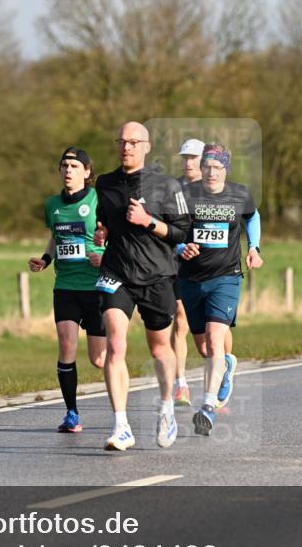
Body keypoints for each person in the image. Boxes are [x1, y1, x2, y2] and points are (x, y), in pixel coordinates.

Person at [90, 121, 192, 451]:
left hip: (157, 275)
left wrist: (148, 221)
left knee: (160, 348)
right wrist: (102, 231)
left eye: (134, 142)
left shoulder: (168, 186)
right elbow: (103, 220)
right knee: (116, 345)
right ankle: (121, 426)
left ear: (147, 147)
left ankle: (166, 409)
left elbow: (181, 233)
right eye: (121, 141)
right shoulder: (104, 184)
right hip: (117, 272)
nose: (127, 147)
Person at [177, 144, 263, 435]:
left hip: (226, 277)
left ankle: (208, 407)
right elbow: (171, 228)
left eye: (218, 167)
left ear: (226, 169)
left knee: (215, 339)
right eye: (207, 167)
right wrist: (179, 246)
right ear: (201, 169)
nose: (212, 172)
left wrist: (254, 248)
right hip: (189, 279)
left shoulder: (240, 194)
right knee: (204, 348)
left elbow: (253, 217)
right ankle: (227, 364)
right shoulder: (186, 195)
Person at [29, 147, 106, 433]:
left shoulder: (100, 200)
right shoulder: (52, 204)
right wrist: (45, 260)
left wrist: (105, 255)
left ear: (87, 172)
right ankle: (72, 412)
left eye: (75, 166)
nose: (68, 170)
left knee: (99, 360)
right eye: (64, 165)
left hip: (96, 285)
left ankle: (119, 381)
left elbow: (114, 234)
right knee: (65, 346)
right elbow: (55, 237)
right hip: (66, 286)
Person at [171, 138, 204, 406]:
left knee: (207, 343)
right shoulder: (173, 190)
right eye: (185, 157)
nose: (188, 162)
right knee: (180, 319)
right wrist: (179, 245)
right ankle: (180, 383)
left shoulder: (217, 189)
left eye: (193, 157)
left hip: (212, 265)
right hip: (179, 263)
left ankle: (221, 375)